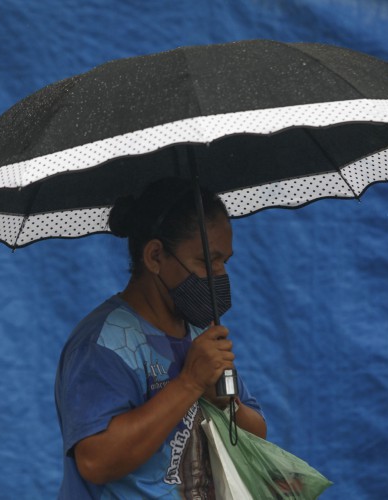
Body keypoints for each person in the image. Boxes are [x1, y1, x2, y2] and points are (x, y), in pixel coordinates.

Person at [55, 177, 267, 498]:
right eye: (207, 261)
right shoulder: (105, 343)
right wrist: (190, 384)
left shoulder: (200, 331)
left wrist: (225, 405)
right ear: (155, 256)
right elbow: (96, 460)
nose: (220, 274)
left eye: (225, 261)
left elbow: (256, 433)